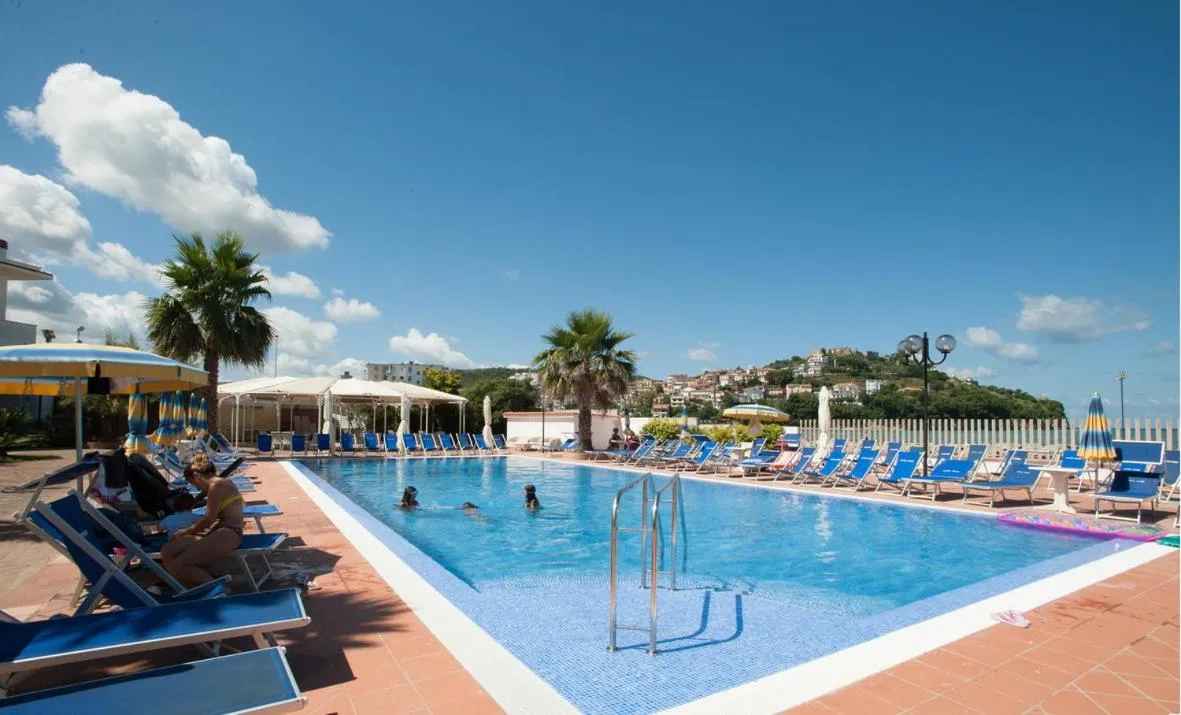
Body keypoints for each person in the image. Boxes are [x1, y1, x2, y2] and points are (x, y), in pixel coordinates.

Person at [159, 456, 244, 587]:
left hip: (228, 533)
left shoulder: (216, 486)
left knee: (180, 564)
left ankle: (217, 589)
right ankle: (183, 586)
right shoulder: (223, 482)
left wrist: (185, 531)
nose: (198, 489)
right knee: (168, 550)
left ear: (197, 476)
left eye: (194, 484)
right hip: (220, 531)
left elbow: (209, 520)